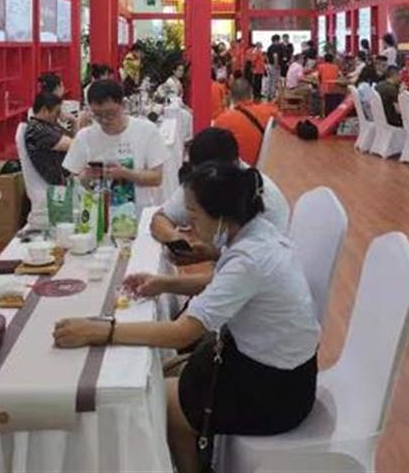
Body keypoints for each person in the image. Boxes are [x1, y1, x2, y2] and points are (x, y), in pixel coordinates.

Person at [53, 159, 319, 473]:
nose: (189, 225)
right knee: (166, 375)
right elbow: (224, 284)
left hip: (278, 391)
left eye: (193, 215)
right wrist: (165, 283)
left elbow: (182, 333)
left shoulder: (250, 258)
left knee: (161, 400)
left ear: (221, 216)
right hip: (279, 367)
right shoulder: (256, 232)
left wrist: (102, 331)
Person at [150, 127, 290, 263]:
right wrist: (176, 239)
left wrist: (214, 254)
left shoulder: (264, 203)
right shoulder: (199, 183)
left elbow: (252, 266)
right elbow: (161, 218)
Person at [62, 80, 167, 209]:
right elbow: (72, 179)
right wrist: (85, 178)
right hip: (97, 214)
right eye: (97, 115)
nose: (104, 120)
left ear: (123, 105)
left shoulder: (146, 131)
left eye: (110, 114)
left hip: (138, 213)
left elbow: (156, 178)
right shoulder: (84, 136)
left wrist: (125, 173)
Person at [213, 77, 278, 166]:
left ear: (231, 97)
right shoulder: (266, 111)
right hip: (252, 166)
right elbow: (277, 115)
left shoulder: (222, 120)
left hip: (231, 169)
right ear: (251, 94)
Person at [24, 92, 73, 185]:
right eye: (57, 112)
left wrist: (73, 121)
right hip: (60, 182)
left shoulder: (47, 125)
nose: (59, 116)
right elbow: (75, 145)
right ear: (44, 110)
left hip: (68, 172)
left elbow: (73, 138)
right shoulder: (37, 130)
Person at [266, 35, 283, 100]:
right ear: (276, 40)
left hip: (270, 65)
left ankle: (269, 94)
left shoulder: (269, 47)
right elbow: (275, 56)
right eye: (279, 40)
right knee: (275, 80)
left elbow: (267, 57)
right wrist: (276, 64)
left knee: (270, 80)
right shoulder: (275, 47)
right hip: (274, 66)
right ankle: (273, 95)